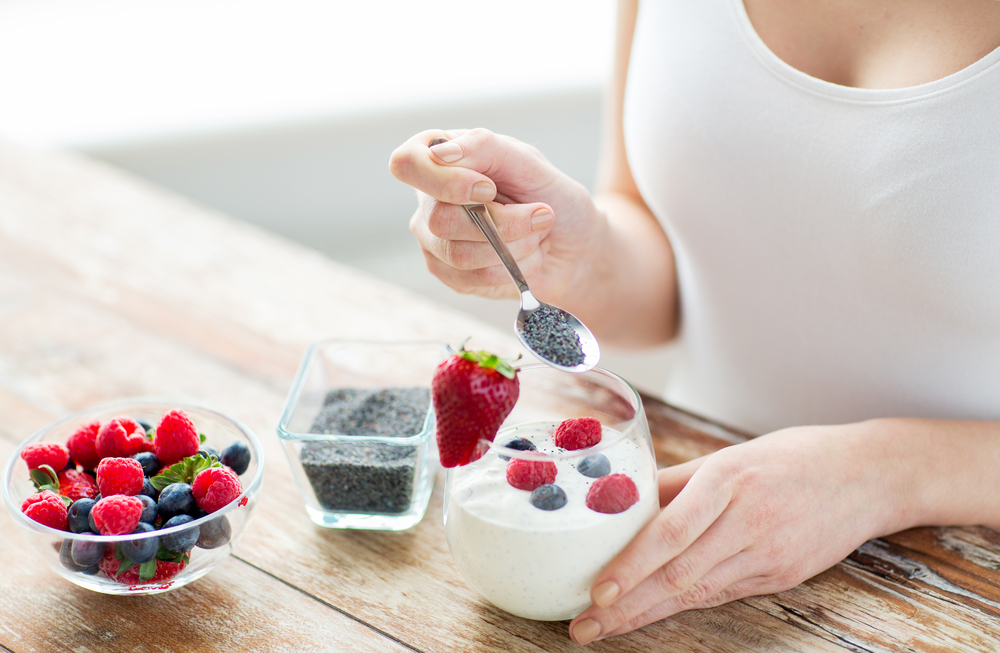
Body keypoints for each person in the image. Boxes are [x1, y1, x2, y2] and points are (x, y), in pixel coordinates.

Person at [389, 0, 1000, 644]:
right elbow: (677, 278)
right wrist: (580, 255)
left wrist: (884, 473)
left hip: (957, 585)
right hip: (688, 522)